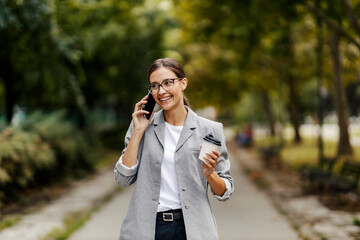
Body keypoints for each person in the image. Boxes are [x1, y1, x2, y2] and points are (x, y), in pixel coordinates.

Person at [114, 58, 234, 240]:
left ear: (183, 83)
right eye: (154, 86)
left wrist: (211, 175)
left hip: (192, 229)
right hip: (149, 229)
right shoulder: (141, 125)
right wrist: (138, 131)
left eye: (168, 83)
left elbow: (224, 191)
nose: (161, 91)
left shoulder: (209, 130)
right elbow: (123, 179)